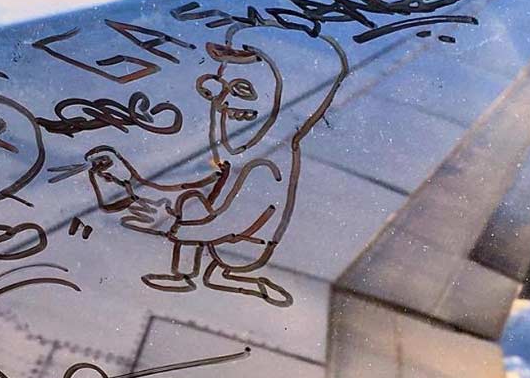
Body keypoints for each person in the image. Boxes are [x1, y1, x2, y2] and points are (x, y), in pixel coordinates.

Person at [85, 23, 348, 306]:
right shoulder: (238, 156)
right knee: (189, 200)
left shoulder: (266, 166)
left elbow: (225, 221)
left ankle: (192, 275)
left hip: (239, 246)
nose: (222, 101)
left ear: (286, 102)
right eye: (220, 87)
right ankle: (197, 273)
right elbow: (196, 190)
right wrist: (131, 180)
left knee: (191, 207)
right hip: (222, 238)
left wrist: (172, 225)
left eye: (242, 90)